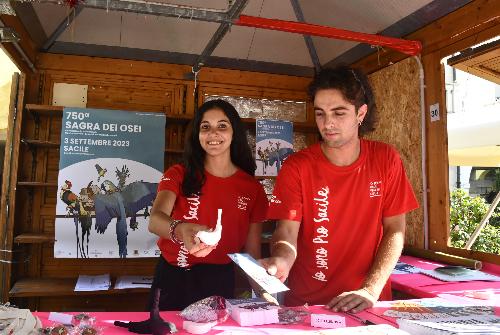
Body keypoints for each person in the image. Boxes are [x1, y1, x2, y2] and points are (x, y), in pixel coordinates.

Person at [261, 65, 419, 313]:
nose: (328, 123)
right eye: (320, 113)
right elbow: (287, 231)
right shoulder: (297, 166)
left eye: (339, 113)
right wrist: (282, 259)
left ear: (361, 114)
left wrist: (370, 289)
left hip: (365, 302)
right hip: (307, 305)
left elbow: (395, 231)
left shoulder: (386, 159)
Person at [148, 99, 268, 310]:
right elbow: (156, 219)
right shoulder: (178, 174)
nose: (213, 133)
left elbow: (252, 253)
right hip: (172, 278)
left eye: (222, 125)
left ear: (234, 133)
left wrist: (263, 293)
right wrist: (180, 229)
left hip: (218, 281)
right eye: (206, 127)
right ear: (198, 134)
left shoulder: (252, 189)